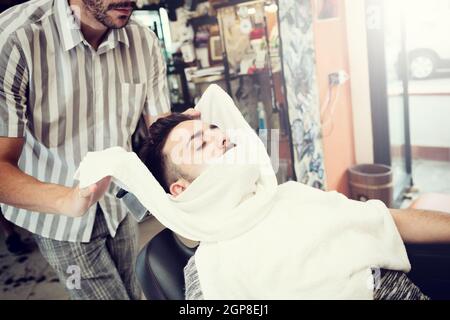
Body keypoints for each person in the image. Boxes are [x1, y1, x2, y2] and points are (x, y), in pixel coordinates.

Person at [136, 86, 450, 300]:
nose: (220, 140)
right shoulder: (209, 274)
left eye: (216, 131)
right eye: (201, 144)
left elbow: (387, 220)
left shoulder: (292, 196)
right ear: (181, 189)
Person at [0, 0, 198, 300]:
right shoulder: (16, 39)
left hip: (120, 205)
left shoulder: (143, 42)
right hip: (59, 218)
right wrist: (69, 200)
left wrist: (186, 131)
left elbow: (158, 131)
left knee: (134, 291)